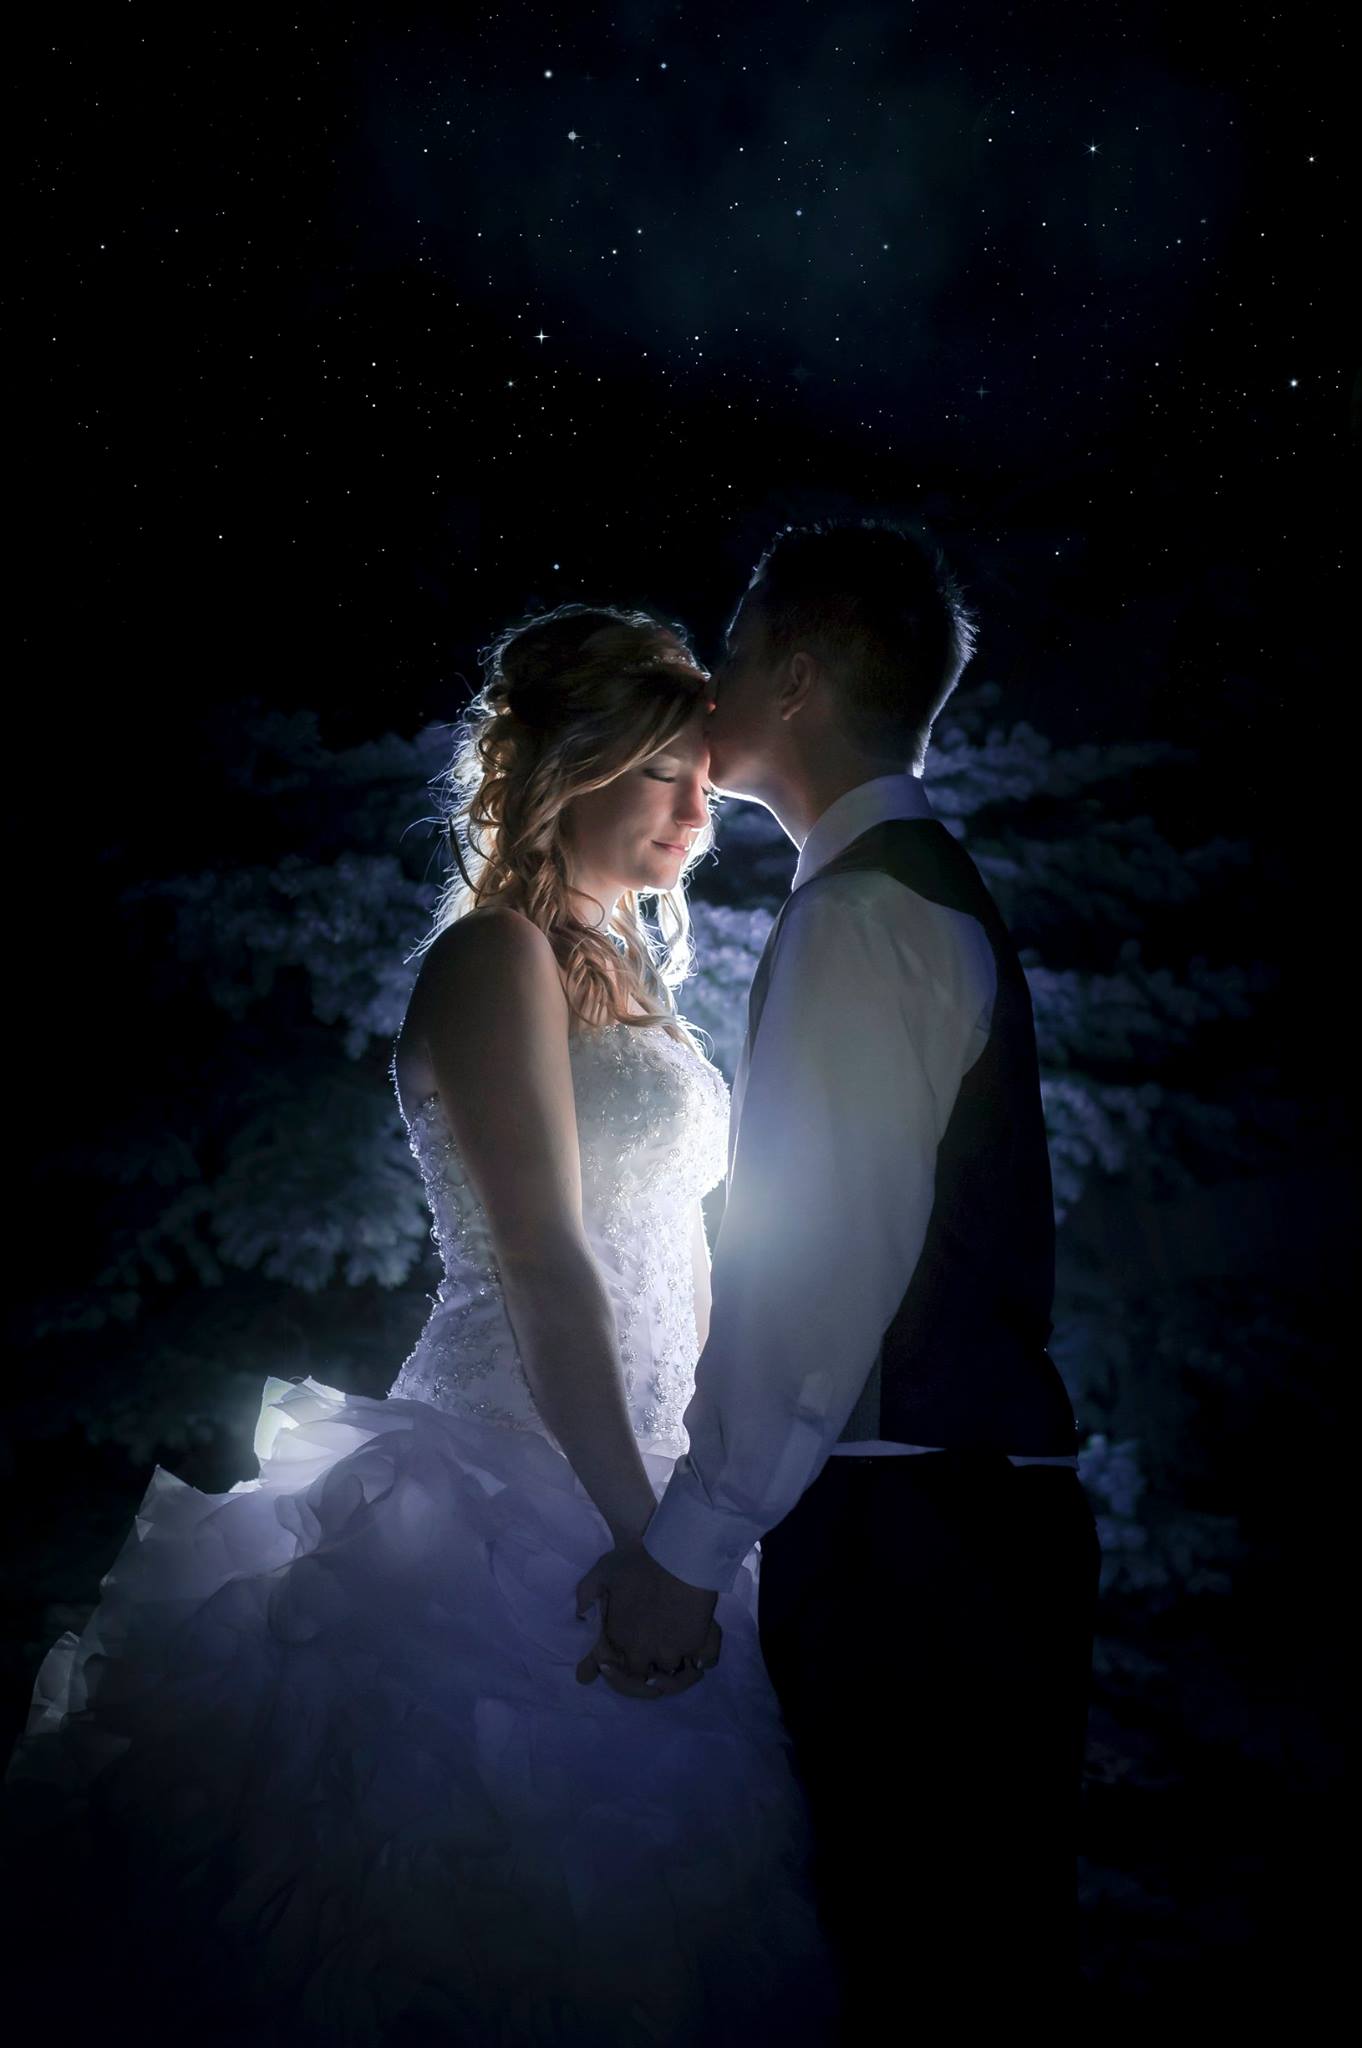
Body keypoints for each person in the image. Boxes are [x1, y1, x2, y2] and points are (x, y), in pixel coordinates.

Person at [1, 604, 840, 2047]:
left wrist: (714, 1507)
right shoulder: (495, 959)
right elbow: (545, 1268)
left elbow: (682, 1261)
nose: (704, 807)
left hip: (659, 1479)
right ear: (567, 768)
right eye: (664, 774)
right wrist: (641, 1530)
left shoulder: (632, 972)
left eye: (703, 775)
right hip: (512, 1476)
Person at [578, 522, 1103, 2035]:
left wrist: (691, 1544)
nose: (709, 677)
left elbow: (816, 1271)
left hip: (912, 1540)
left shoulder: (867, 909)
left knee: (923, 1977)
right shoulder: (899, 888)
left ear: (797, 677)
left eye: (734, 649)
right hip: (952, 1520)